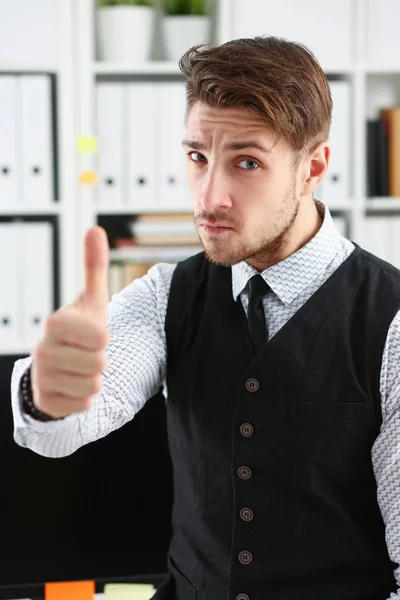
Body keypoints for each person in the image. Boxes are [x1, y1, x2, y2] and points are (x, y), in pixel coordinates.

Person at [11, 35, 400, 600]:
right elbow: (64, 430)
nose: (209, 195)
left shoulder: (391, 319)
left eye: (246, 161)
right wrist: (48, 394)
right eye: (197, 157)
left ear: (312, 167)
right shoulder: (168, 293)